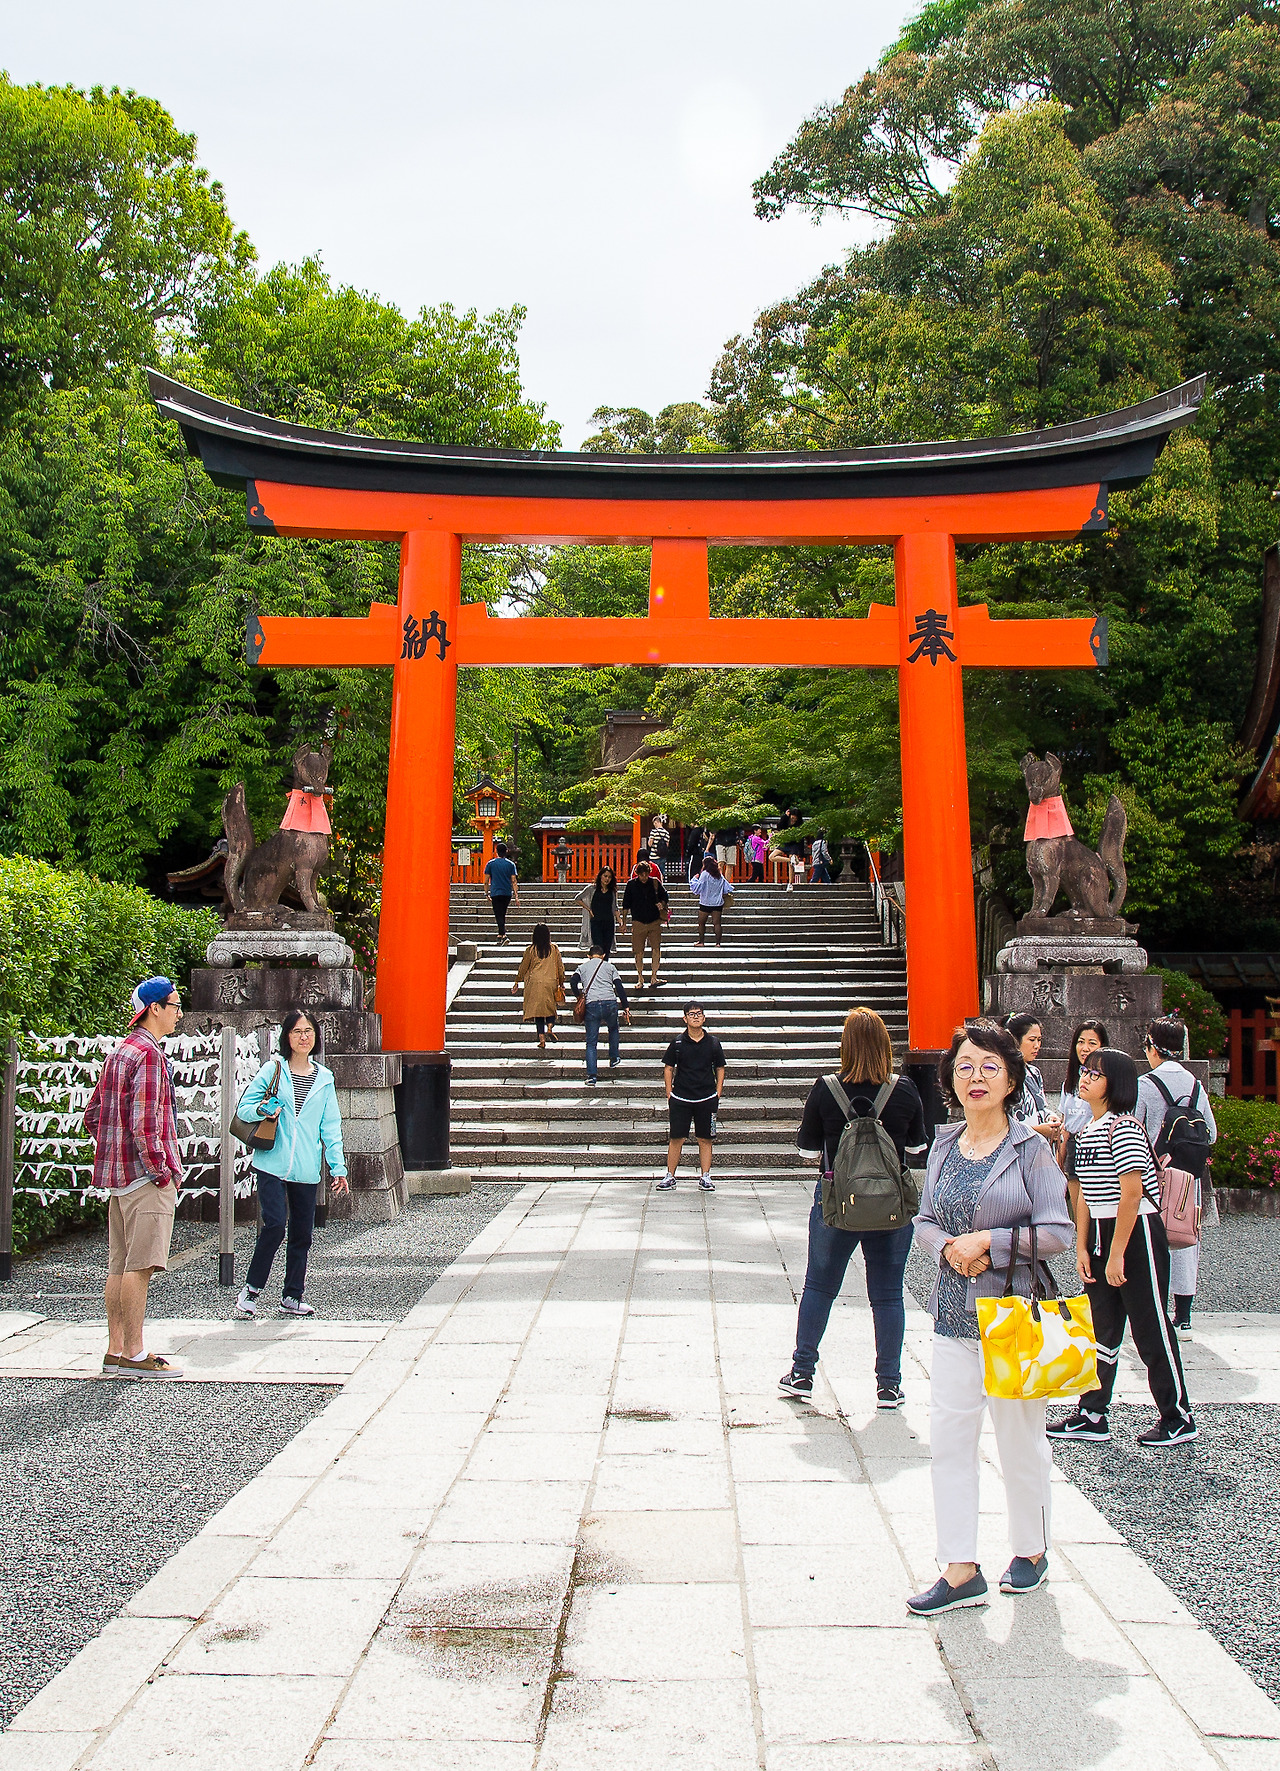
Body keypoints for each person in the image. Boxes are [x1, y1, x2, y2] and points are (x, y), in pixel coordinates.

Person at [907, 1023, 1074, 1615]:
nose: (975, 1077)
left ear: (1010, 1080)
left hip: (1012, 1315)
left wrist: (989, 1242)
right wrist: (947, 1247)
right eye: (964, 1066)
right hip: (953, 1316)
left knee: (1018, 1442)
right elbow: (925, 1220)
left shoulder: (1030, 1150)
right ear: (950, 1079)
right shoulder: (944, 1144)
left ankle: (1031, 1549)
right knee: (950, 1444)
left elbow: (1058, 1231)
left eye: (988, 1067)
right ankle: (959, 1568)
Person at [1047, 1048, 1197, 1447]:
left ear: (1116, 1084)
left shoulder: (1125, 1128)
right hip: (1099, 1230)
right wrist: (1082, 1247)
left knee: (1150, 1325)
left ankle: (1177, 1416)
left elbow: (1131, 1194)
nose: (1085, 1078)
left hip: (1135, 1232)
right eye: (1084, 1071)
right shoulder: (1085, 1130)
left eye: (1095, 1074)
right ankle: (1092, 1412)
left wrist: (1116, 1254)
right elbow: (1081, 1193)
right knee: (1101, 1327)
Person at [780, 1007, 928, 1407]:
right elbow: (917, 1148)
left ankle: (802, 1372)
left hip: (837, 1204)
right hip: (891, 1208)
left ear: (845, 1045)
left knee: (819, 1286)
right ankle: (888, 1384)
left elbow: (807, 1149)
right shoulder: (904, 1089)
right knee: (888, 1294)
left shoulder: (826, 1088)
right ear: (884, 1044)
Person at [83, 977, 186, 1379]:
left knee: (120, 1265)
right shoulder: (149, 1055)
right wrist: (162, 1171)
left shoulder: (120, 1051)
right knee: (140, 1267)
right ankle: (135, 1353)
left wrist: (116, 1149)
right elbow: (146, 1125)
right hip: (146, 1179)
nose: (179, 1013)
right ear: (154, 1008)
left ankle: (115, 1350)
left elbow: (94, 1115)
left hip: (120, 1179)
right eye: (174, 1005)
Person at [234, 1010, 349, 1319]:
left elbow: (331, 1127)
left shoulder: (324, 1078)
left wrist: (338, 1168)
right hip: (271, 1162)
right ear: (287, 1037)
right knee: (274, 1225)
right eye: (297, 1031)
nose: (303, 1037)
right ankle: (251, 1290)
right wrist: (263, 1109)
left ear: (316, 1036)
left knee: (302, 1234)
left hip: (306, 1167)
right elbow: (244, 1109)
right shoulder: (273, 1069)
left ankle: (292, 1296)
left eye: (308, 1031)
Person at [1136, 1017, 1217, 1336]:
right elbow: (1210, 1133)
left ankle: (1153, 1308)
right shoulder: (1195, 1085)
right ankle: (1183, 1314)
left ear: (1153, 1047)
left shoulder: (1145, 1084)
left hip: (1154, 1175)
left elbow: (1134, 1128)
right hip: (1188, 1177)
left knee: (1151, 1238)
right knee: (1184, 1237)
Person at [658, 1002, 725, 1191]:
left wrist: (718, 1092)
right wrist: (669, 1092)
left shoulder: (713, 1043)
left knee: (705, 1138)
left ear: (704, 1017)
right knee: (676, 1137)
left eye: (699, 1013)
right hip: (681, 1098)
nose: (695, 1017)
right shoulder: (678, 1043)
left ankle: (706, 1176)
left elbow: (720, 1068)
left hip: (707, 1098)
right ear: (685, 1018)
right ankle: (670, 1175)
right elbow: (668, 1068)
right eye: (691, 1014)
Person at [571, 945, 632, 1084]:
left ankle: (592, 1076)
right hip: (610, 1002)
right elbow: (619, 986)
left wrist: (579, 996)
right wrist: (626, 1005)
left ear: (589, 956)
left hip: (591, 1003)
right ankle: (614, 1056)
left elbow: (573, 982)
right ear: (603, 955)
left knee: (591, 1042)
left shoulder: (582, 967)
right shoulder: (610, 967)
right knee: (613, 1028)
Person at [1003, 1014, 1060, 1139]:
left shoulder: (1034, 1073)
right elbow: (1001, 1124)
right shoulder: (1004, 1074)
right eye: (1032, 1040)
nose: (1037, 1045)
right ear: (1015, 1040)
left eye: (1039, 1040)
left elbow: (1041, 1107)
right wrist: (1038, 1130)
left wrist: (1050, 1117)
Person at [512, 922, 566, 1050]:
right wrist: (562, 982)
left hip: (534, 983)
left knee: (538, 1012)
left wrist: (517, 980)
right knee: (550, 1008)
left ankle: (542, 1039)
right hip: (550, 982)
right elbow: (560, 967)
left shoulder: (531, 950)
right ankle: (550, 1027)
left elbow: (523, 967)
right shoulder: (554, 949)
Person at [622, 859, 669, 991]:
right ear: (637, 874)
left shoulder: (655, 882)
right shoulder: (631, 885)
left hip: (654, 920)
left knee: (656, 949)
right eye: (641, 874)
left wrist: (662, 904)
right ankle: (640, 977)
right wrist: (624, 922)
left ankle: (654, 976)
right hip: (638, 921)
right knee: (638, 951)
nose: (644, 877)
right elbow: (626, 904)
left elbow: (665, 896)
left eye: (646, 874)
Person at [1058, 1021, 1109, 1132]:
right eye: (1081, 1042)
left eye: (1092, 1043)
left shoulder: (1106, 1082)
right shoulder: (1069, 1083)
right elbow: (1065, 1121)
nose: (1085, 1048)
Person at [689, 854, 734, 945]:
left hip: (705, 902)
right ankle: (718, 943)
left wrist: (694, 879)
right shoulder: (719, 875)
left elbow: (698, 888)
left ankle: (701, 941)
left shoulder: (705, 874)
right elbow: (727, 888)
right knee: (717, 924)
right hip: (717, 903)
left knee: (701, 923)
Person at [575, 866, 619, 957]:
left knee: (607, 949)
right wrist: (589, 909)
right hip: (596, 922)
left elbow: (615, 907)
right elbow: (578, 898)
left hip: (609, 922)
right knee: (598, 948)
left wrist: (620, 920)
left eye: (609, 877)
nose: (607, 879)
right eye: (605, 876)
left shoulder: (612, 891)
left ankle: (605, 965)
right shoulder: (592, 889)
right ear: (600, 876)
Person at [484, 840, 519, 944]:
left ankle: (502, 935)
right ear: (506, 851)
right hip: (506, 892)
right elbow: (514, 881)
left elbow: (486, 881)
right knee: (502, 912)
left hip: (495, 892)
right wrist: (516, 896)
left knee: (498, 913)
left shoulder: (490, 864)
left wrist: (486, 893)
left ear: (496, 851)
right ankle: (501, 935)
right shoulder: (511, 864)